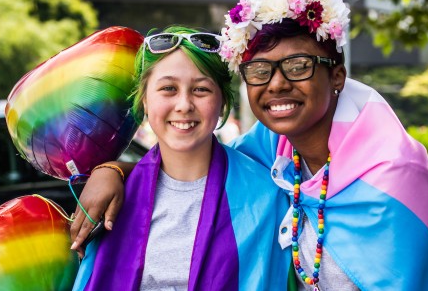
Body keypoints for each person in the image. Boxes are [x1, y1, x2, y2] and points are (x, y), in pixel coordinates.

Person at [71, 0, 428, 290]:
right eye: (261, 72)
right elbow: (191, 164)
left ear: (337, 75)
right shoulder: (272, 151)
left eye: (298, 66)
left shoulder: (394, 178)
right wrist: (113, 170)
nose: (277, 85)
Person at [71, 26, 292, 290]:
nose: (184, 105)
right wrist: (108, 170)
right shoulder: (111, 202)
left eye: (201, 90)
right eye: (168, 88)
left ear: (222, 102)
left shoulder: (269, 195)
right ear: (144, 101)